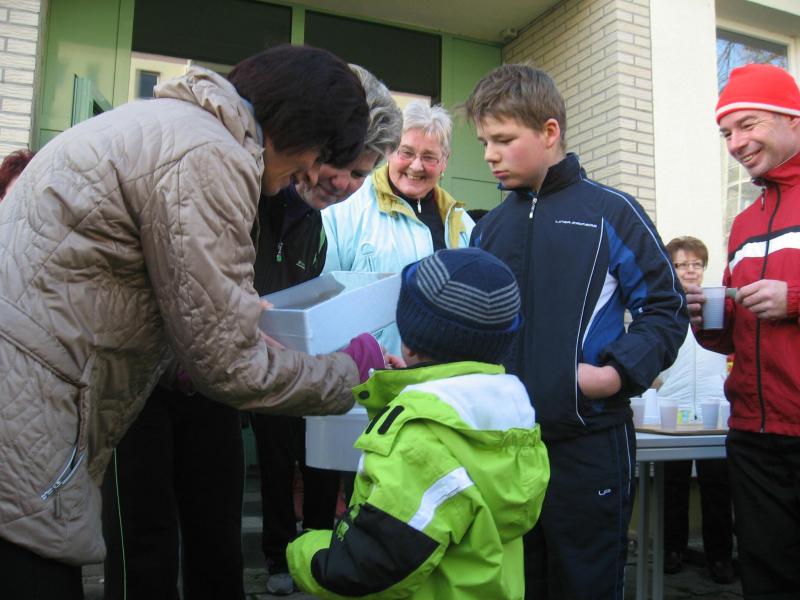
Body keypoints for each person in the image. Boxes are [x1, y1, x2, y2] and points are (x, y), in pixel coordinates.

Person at [0, 44, 384, 600]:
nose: (310, 170)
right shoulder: (210, 155)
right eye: (320, 153)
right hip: (29, 414)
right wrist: (353, 370)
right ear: (299, 127)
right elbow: (230, 366)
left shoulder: (170, 126)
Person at [465, 64, 687, 599]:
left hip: (588, 444)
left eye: (503, 140)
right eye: (484, 142)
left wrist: (614, 374)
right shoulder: (488, 229)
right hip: (503, 448)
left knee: (586, 587)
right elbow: (474, 329)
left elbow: (665, 308)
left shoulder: (611, 212)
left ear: (549, 132)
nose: (489, 155)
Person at [286, 247, 550, 599]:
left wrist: (304, 549)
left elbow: (364, 568)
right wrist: (402, 389)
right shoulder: (511, 421)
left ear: (408, 344)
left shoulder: (418, 443)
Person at [249, 64, 402, 596]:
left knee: (318, 459)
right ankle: (278, 555)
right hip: (226, 375)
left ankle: (317, 550)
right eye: (340, 163)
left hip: (303, 366)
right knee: (271, 463)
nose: (343, 182)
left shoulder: (312, 225)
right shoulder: (247, 192)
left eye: (360, 174)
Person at [688, 63, 800, 598]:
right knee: (766, 579)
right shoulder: (745, 222)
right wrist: (710, 324)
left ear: (793, 119)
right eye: (726, 133)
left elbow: (787, 303)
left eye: (748, 125)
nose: (735, 143)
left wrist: (794, 298)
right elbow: (737, 336)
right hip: (754, 435)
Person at [322, 100, 474, 354]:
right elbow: (323, 300)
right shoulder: (344, 208)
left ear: (444, 162)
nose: (416, 166)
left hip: (442, 370)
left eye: (429, 157)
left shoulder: (461, 223)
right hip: (370, 370)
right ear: (390, 152)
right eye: (407, 152)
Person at [657, 236, 734, 583]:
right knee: (671, 486)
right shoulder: (663, 307)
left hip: (714, 411)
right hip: (672, 412)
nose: (690, 270)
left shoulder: (718, 306)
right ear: (670, 268)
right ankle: (671, 550)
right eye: (681, 264)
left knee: (717, 486)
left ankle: (720, 557)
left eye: (696, 264)